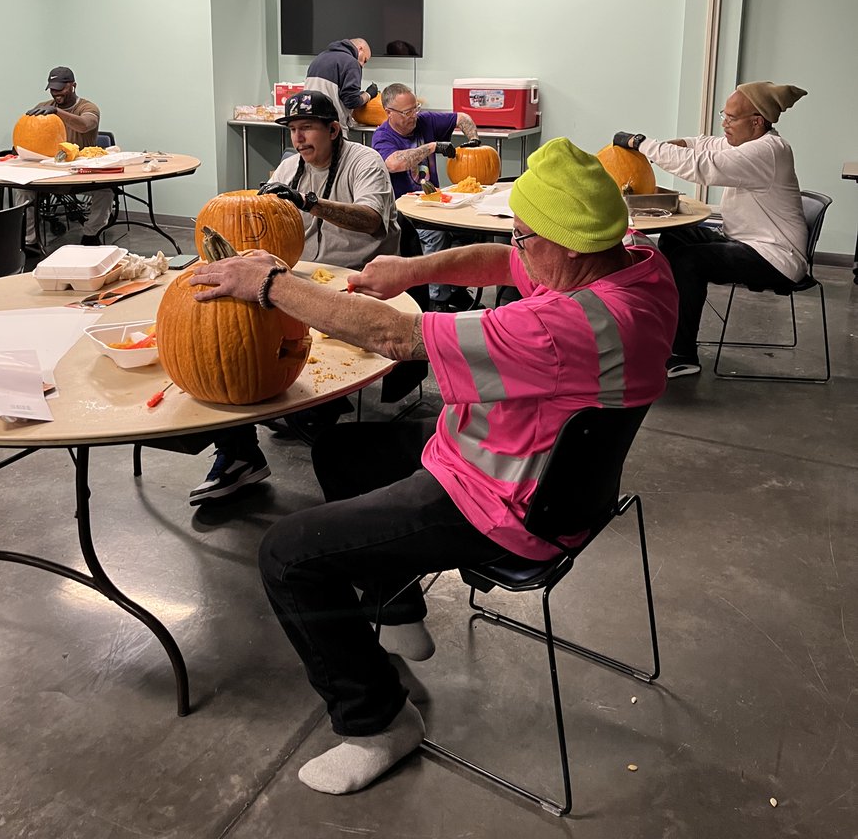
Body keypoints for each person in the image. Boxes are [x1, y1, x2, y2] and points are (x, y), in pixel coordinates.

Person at [189, 138, 678, 795]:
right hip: (531, 463)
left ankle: (376, 722)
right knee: (341, 451)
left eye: (530, 236)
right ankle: (396, 612)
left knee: (287, 556)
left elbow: (396, 338)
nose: (519, 247)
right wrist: (412, 272)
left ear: (568, 245)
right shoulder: (637, 264)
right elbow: (505, 260)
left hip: (505, 505)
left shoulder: (564, 326)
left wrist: (272, 284)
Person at [189, 90, 400, 505]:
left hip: (356, 279)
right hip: (298, 274)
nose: (299, 139)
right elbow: (261, 220)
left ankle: (314, 415)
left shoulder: (364, 162)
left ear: (334, 130)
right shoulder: (289, 167)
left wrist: (309, 202)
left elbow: (373, 220)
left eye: (307, 129)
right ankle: (239, 451)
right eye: (293, 131)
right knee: (220, 330)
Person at [613, 80, 808, 378]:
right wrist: (666, 148)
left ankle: (682, 355)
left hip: (774, 258)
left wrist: (641, 143)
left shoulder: (766, 151)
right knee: (677, 235)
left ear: (756, 122)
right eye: (723, 115)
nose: (724, 123)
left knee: (688, 261)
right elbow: (700, 145)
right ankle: (671, 329)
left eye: (731, 118)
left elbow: (704, 165)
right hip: (745, 242)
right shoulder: (745, 143)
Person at [372, 82, 481, 311]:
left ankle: (454, 288)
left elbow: (462, 118)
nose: (414, 116)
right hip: (404, 210)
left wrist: (473, 142)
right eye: (407, 112)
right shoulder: (382, 136)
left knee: (470, 229)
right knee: (434, 235)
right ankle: (436, 301)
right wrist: (432, 147)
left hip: (433, 202)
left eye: (416, 108)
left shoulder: (425, 120)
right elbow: (393, 163)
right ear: (389, 112)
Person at [17, 66, 112, 252]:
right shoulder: (43, 106)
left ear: (73, 86)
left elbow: (85, 125)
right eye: (53, 89)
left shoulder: (87, 107)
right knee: (24, 191)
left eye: (61, 88)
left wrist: (56, 112)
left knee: (106, 192)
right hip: (49, 171)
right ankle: (30, 241)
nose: (56, 93)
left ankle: (90, 235)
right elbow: (30, 132)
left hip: (80, 173)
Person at [303, 37, 378, 132]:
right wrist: (368, 94)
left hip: (310, 125)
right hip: (332, 129)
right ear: (360, 49)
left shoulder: (318, 59)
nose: (362, 64)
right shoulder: (351, 63)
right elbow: (352, 101)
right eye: (365, 59)